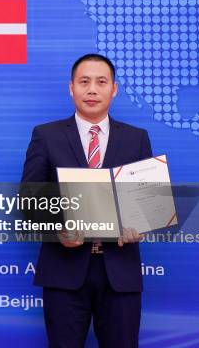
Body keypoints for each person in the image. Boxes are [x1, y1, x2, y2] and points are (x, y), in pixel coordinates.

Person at [21, 53, 153, 347]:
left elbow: (146, 202)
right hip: (64, 272)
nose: (92, 89)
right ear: (71, 88)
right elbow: (30, 203)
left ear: (114, 89)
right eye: (84, 82)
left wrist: (140, 224)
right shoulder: (46, 136)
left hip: (120, 273)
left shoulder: (137, 138)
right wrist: (57, 232)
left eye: (101, 82)